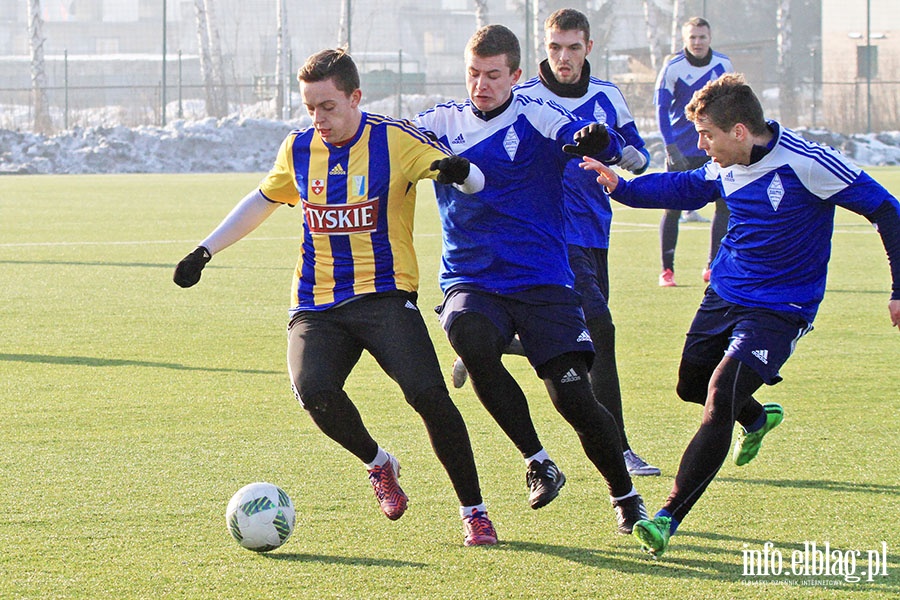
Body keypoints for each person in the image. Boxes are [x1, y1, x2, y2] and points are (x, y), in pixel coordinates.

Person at [172, 48, 499, 547]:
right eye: (309, 108)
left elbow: (472, 179)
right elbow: (261, 200)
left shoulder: (396, 139)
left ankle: (473, 511)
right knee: (314, 391)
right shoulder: (299, 149)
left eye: (327, 106)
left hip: (384, 294)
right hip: (316, 300)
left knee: (428, 395)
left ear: (354, 97)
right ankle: (378, 463)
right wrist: (205, 250)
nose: (318, 118)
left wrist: (460, 173)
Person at [580, 73, 900, 557]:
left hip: (782, 307)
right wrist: (622, 188)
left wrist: (899, 288)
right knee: (691, 384)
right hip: (726, 293)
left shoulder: (808, 163)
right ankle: (757, 418)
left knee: (718, 394)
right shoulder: (724, 164)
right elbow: (687, 186)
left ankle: (666, 517)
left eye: (707, 135)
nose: (701, 144)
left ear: (740, 131)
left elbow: (887, 210)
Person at [414, 24, 648, 534]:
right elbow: (386, 144)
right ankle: (537, 459)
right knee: (470, 338)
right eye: (473, 74)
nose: (482, 85)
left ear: (516, 75)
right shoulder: (437, 121)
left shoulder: (537, 114)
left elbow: (591, 143)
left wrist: (598, 139)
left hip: (543, 278)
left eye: (494, 75)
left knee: (573, 397)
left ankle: (625, 494)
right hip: (471, 279)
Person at [451, 8, 659, 477]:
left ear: (588, 48)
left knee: (581, 340)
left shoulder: (607, 96)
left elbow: (638, 156)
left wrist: (624, 153)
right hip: (547, 239)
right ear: (543, 50)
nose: (563, 58)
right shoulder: (522, 97)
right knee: (601, 330)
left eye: (573, 48)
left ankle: (493, 343)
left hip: (593, 230)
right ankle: (621, 450)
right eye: (554, 48)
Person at [655, 16, 733, 287]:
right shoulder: (673, 67)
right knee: (672, 210)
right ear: (684, 40)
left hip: (714, 148)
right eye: (692, 38)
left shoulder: (723, 65)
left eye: (702, 37)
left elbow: (732, 107)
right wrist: (670, 147)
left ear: (709, 38)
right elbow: (661, 109)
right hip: (682, 151)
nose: (697, 42)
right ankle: (667, 271)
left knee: (725, 206)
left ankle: (713, 266)